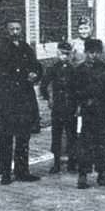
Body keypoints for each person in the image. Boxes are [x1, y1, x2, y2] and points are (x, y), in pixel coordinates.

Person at [0, 19, 42, 184]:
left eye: (18, 29)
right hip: (7, 99)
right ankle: (5, 173)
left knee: (23, 136)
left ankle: (22, 170)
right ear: (6, 30)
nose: (15, 32)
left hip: (24, 99)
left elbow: (37, 67)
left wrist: (35, 74)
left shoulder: (26, 48)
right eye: (12, 29)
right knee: (6, 136)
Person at [73, 38, 105, 188]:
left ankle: (103, 175)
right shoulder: (80, 70)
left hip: (102, 111)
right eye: (90, 52)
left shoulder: (103, 68)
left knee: (102, 142)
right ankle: (83, 176)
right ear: (85, 52)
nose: (93, 55)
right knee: (86, 142)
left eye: (96, 52)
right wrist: (83, 102)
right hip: (88, 111)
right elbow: (75, 90)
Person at [40, 39, 77, 173]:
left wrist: (77, 105)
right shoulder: (52, 68)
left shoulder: (74, 69)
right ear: (57, 53)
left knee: (71, 135)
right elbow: (43, 85)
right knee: (56, 135)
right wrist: (48, 98)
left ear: (71, 54)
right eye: (62, 54)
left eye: (67, 54)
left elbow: (79, 88)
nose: (64, 57)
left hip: (71, 106)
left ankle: (72, 162)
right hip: (57, 107)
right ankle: (56, 162)